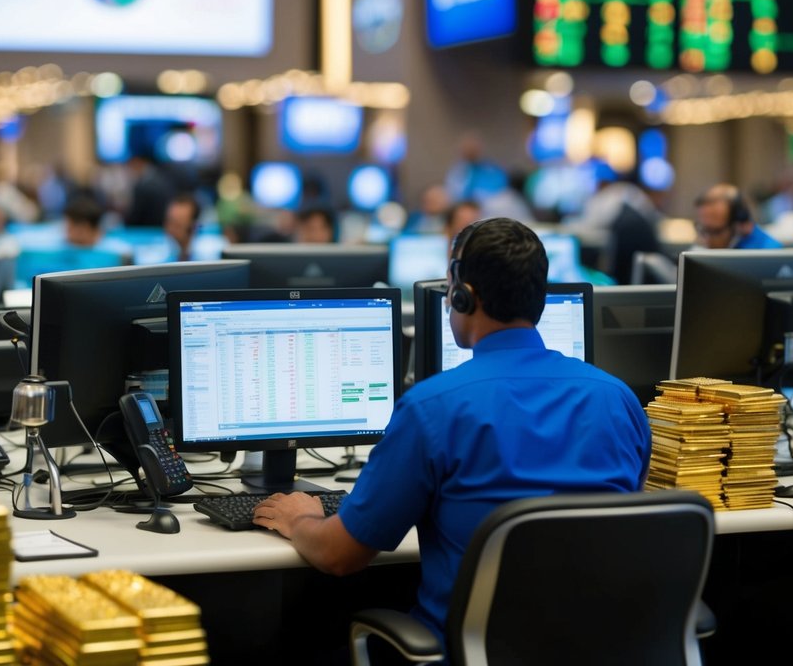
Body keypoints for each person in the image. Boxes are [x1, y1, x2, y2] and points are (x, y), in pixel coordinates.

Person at [252, 217, 651, 648]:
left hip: (474, 652)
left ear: (464, 296)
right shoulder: (619, 400)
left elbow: (339, 556)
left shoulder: (432, 408)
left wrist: (302, 519)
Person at [693, 183, 782, 250]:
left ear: (741, 224)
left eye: (715, 232)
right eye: (703, 230)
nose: (706, 239)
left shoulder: (770, 252)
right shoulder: (699, 249)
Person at [163, 194, 200, 262]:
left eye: (177, 225)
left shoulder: (211, 256)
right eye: (169, 222)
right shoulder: (155, 253)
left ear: (193, 227)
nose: (170, 230)